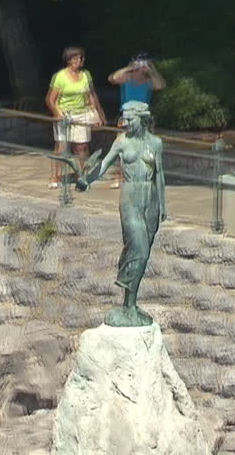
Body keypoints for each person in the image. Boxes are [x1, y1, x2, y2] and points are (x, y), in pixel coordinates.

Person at [76, 101, 166, 327]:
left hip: (151, 198)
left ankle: (131, 305)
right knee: (139, 250)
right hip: (130, 196)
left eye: (130, 119)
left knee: (144, 251)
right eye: (124, 118)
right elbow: (104, 164)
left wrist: (163, 205)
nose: (125, 123)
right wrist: (87, 180)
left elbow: (160, 175)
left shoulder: (156, 143)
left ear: (142, 119)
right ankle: (128, 304)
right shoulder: (122, 141)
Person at [45, 46, 106, 189]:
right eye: (80, 58)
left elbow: (91, 95)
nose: (83, 60)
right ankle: (56, 177)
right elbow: (50, 99)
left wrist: (98, 113)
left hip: (82, 113)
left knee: (82, 146)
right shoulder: (60, 77)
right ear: (71, 60)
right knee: (61, 146)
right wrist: (58, 114)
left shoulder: (86, 75)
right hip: (64, 114)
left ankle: (82, 175)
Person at [107, 54, 166, 188]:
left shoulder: (149, 81)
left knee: (144, 148)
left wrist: (151, 69)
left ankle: (144, 176)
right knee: (121, 148)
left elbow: (161, 85)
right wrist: (129, 68)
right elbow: (112, 78)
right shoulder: (126, 78)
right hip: (127, 116)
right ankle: (119, 176)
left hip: (144, 117)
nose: (141, 68)